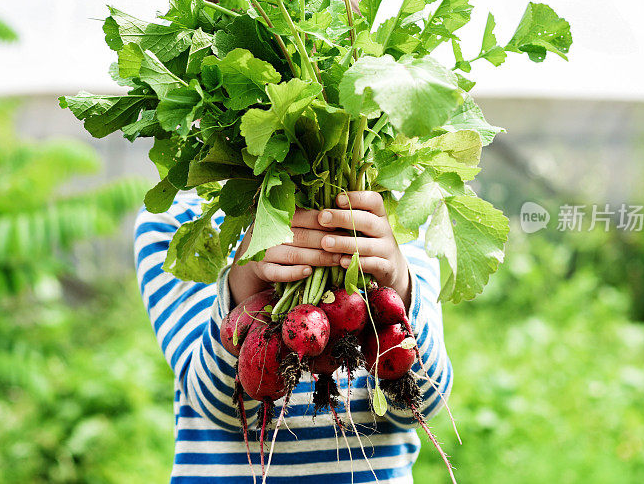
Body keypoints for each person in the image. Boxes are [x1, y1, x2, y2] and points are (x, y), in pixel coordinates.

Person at [134, 190, 452, 483]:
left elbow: (422, 405)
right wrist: (246, 274)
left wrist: (397, 279)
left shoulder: (397, 218)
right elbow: (221, 409)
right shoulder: (180, 226)